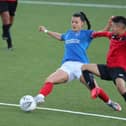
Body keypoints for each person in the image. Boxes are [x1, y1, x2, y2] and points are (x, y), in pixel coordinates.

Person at [32, 12, 121, 111]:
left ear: (82, 23)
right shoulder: (68, 33)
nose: (74, 24)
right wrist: (46, 31)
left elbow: (102, 32)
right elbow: (60, 36)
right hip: (67, 66)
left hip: (82, 67)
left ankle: (110, 103)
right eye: (72, 22)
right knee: (49, 80)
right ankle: (40, 97)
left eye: (76, 22)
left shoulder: (87, 34)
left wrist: (109, 24)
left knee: (95, 89)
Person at [81, 16, 126, 109]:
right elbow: (102, 33)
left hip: (120, 69)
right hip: (109, 68)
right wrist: (93, 34)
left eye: (113, 26)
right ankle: (95, 89)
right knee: (84, 67)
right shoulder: (113, 35)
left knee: (121, 89)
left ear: (120, 28)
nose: (111, 28)